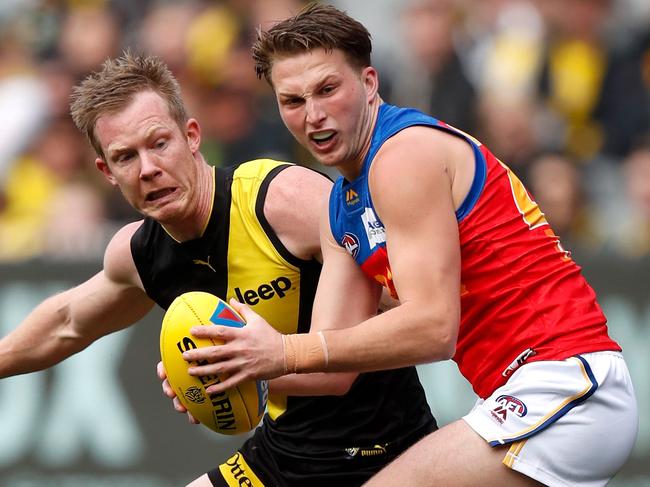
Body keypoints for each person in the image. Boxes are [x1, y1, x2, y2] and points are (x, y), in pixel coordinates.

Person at [181, 4, 639, 486]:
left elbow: (433, 327)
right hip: (535, 395)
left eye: (328, 89)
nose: (313, 115)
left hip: (568, 383)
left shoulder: (403, 155)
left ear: (370, 82)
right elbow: (331, 372)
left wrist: (282, 352)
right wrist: (228, 369)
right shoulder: (341, 210)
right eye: (292, 101)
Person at [0, 51, 437, 486]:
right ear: (107, 172)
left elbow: (406, 314)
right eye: (126, 157)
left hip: (386, 451)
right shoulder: (140, 254)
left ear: (191, 136)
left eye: (159, 143)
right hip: (280, 456)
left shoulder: (282, 201)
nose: (149, 169)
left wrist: (250, 364)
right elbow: (66, 323)